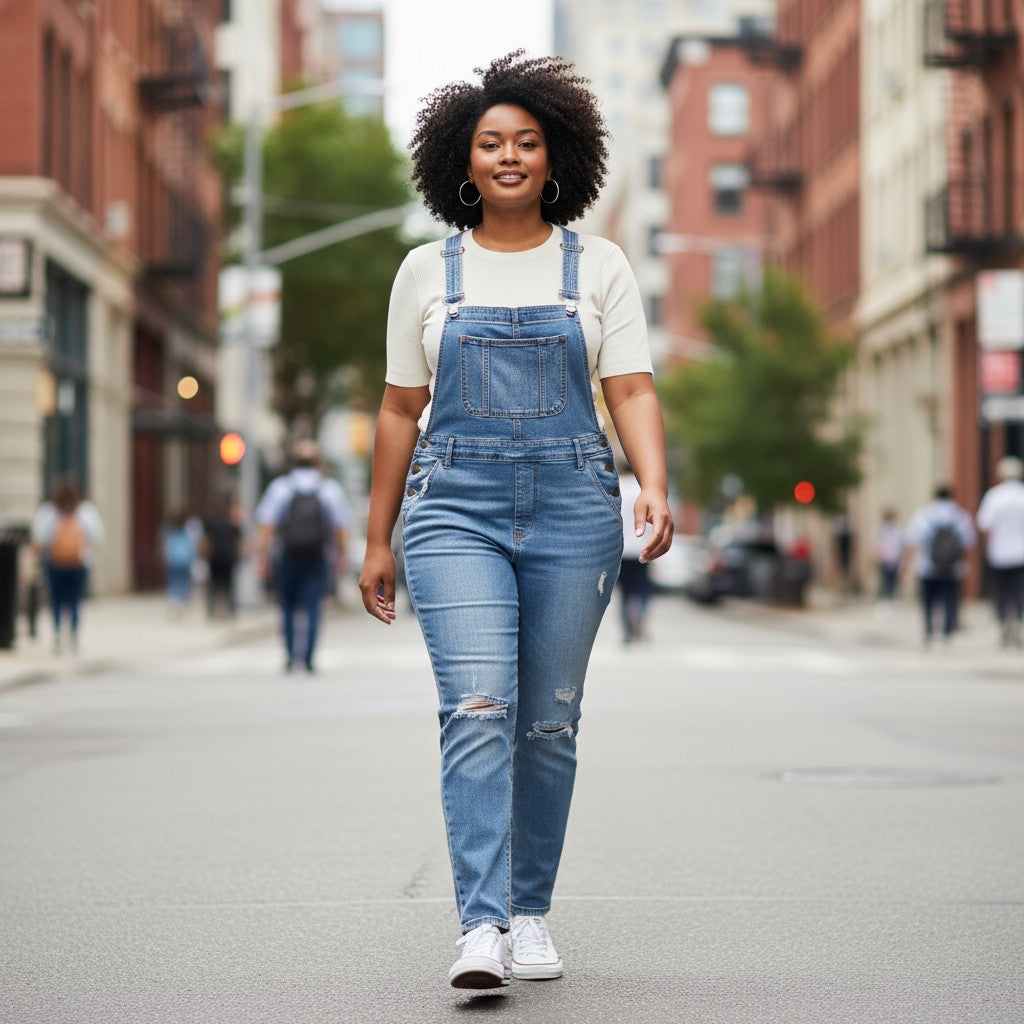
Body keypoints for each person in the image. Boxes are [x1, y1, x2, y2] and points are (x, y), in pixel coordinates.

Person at [358, 52, 673, 990]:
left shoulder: (599, 265)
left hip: (575, 508)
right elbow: (397, 410)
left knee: (547, 722)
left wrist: (653, 484)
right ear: (461, 158)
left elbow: (630, 388)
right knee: (478, 707)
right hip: (454, 510)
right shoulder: (426, 270)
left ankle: (529, 911)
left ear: (554, 156)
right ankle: (482, 926)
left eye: (526, 142)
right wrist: (375, 538)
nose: (508, 156)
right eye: (491, 142)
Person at [256, 440, 349, 673]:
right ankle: (308, 658)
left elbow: (267, 526)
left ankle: (290, 656)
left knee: (287, 605)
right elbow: (339, 529)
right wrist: (341, 557)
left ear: (292, 464)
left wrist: (262, 557)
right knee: (314, 606)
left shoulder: (281, 488)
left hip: (287, 556)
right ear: (318, 463)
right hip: (317, 557)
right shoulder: (329, 489)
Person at [30, 477, 104, 653]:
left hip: (54, 562)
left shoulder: (48, 511)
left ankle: (57, 635)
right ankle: (73, 636)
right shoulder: (86, 512)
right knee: (75, 600)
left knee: (56, 599)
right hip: (79, 562)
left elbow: (39, 537)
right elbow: (98, 536)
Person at [905, 485, 976, 645]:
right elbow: (969, 542)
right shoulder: (959, 515)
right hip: (953, 567)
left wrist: (907, 567)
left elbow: (912, 540)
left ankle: (929, 630)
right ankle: (947, 630)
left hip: (927, 567)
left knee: (928, 601)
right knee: (949, 599)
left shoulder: (924, 514)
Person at [976, 455, 1024, 647]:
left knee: (1002, 592)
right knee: (1020, 591)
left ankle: (1004, 625)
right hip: (1020, 553)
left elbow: (984, 525)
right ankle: (1018, 625)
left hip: (1000, 553)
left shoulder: (995, 496)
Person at [616, 466, 653, 643]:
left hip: (621, 550)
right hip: (642, 548)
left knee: (624, 593)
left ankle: (627, 632)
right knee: (642, 590)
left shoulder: (618, 486)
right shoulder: (643, 489)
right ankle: (641, 622)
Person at [201, 500, 243, 619]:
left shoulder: (211, 523)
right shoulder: (232, 524)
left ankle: (212, 610)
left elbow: (206, 541)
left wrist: (204, 554)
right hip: (229, 558)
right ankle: (230, 610)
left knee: (214, 585)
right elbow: (238, 543)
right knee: (229, 585)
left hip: (215, 558)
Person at [161, 510, 196, 617]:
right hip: (183, 561)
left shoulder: (172, 534)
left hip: (175, 561)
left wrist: (166, 558)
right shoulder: (186, 534)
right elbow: (191, 548)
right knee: (182, 582)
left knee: (175, 581)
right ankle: (180, 601)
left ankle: (174, 600)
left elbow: (167, 548)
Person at [875, 507, 904, 610]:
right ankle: (885, 599)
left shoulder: (897, 529)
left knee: (892, 580)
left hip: (893, 558)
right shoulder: (884, 529)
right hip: (887, 558)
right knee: (886, 580)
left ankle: (892, 599)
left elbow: (900, 544)